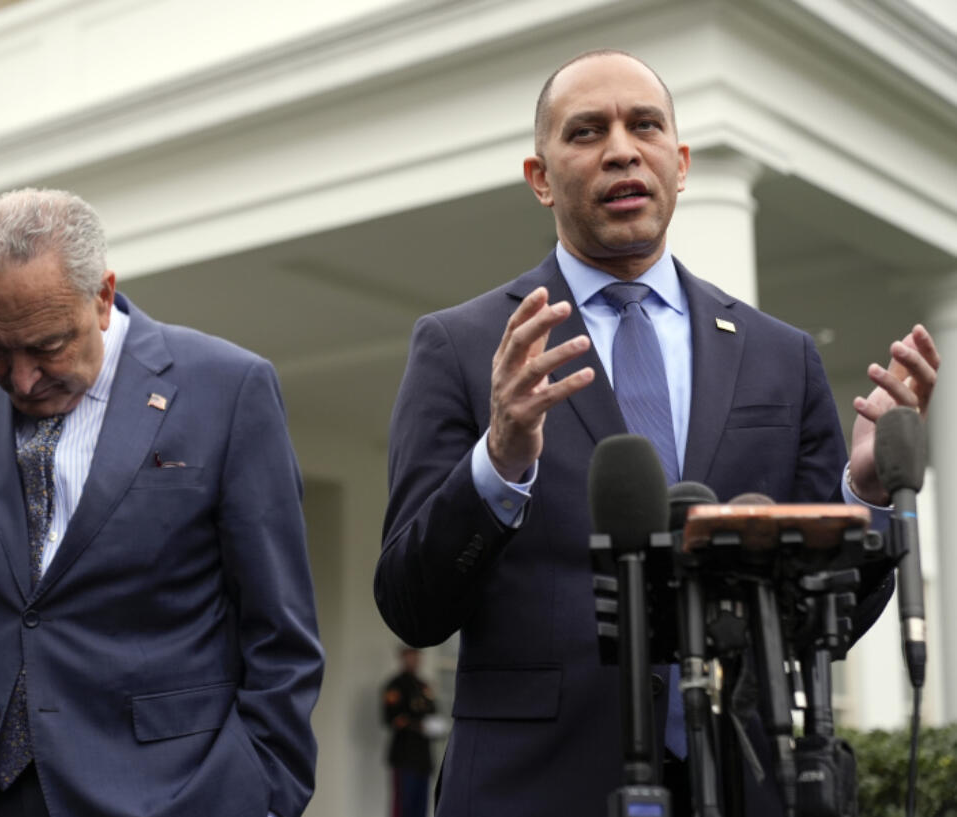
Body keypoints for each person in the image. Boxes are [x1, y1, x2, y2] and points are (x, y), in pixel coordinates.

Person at [374, 50, 940, 816]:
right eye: (586, 131)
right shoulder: (466, 346)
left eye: (644, 126)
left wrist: (862, 495)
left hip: (743, 783)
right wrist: (498, 464)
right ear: (540, 177)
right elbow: (412, 605)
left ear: (679, 164)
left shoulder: (780, 355)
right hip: (533, 787)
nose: (619, 148)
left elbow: (822, 626)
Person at [0, 189, 323, 817]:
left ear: (102, 297)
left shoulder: (227, 388)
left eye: (47, 345)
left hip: (160, 793)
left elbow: (281, 634)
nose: (23, 379)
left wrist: (262, 798)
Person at [382, 647, 438, 817]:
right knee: (403, 807)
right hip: (405, 757)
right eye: (411, 656)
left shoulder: (424, 686)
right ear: (403, 657)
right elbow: (391, 719)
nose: (415, 660)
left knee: (421, 808)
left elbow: (433, 713)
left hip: (423, 757)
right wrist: (417, 725)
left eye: (417, 656)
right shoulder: (395, 685)